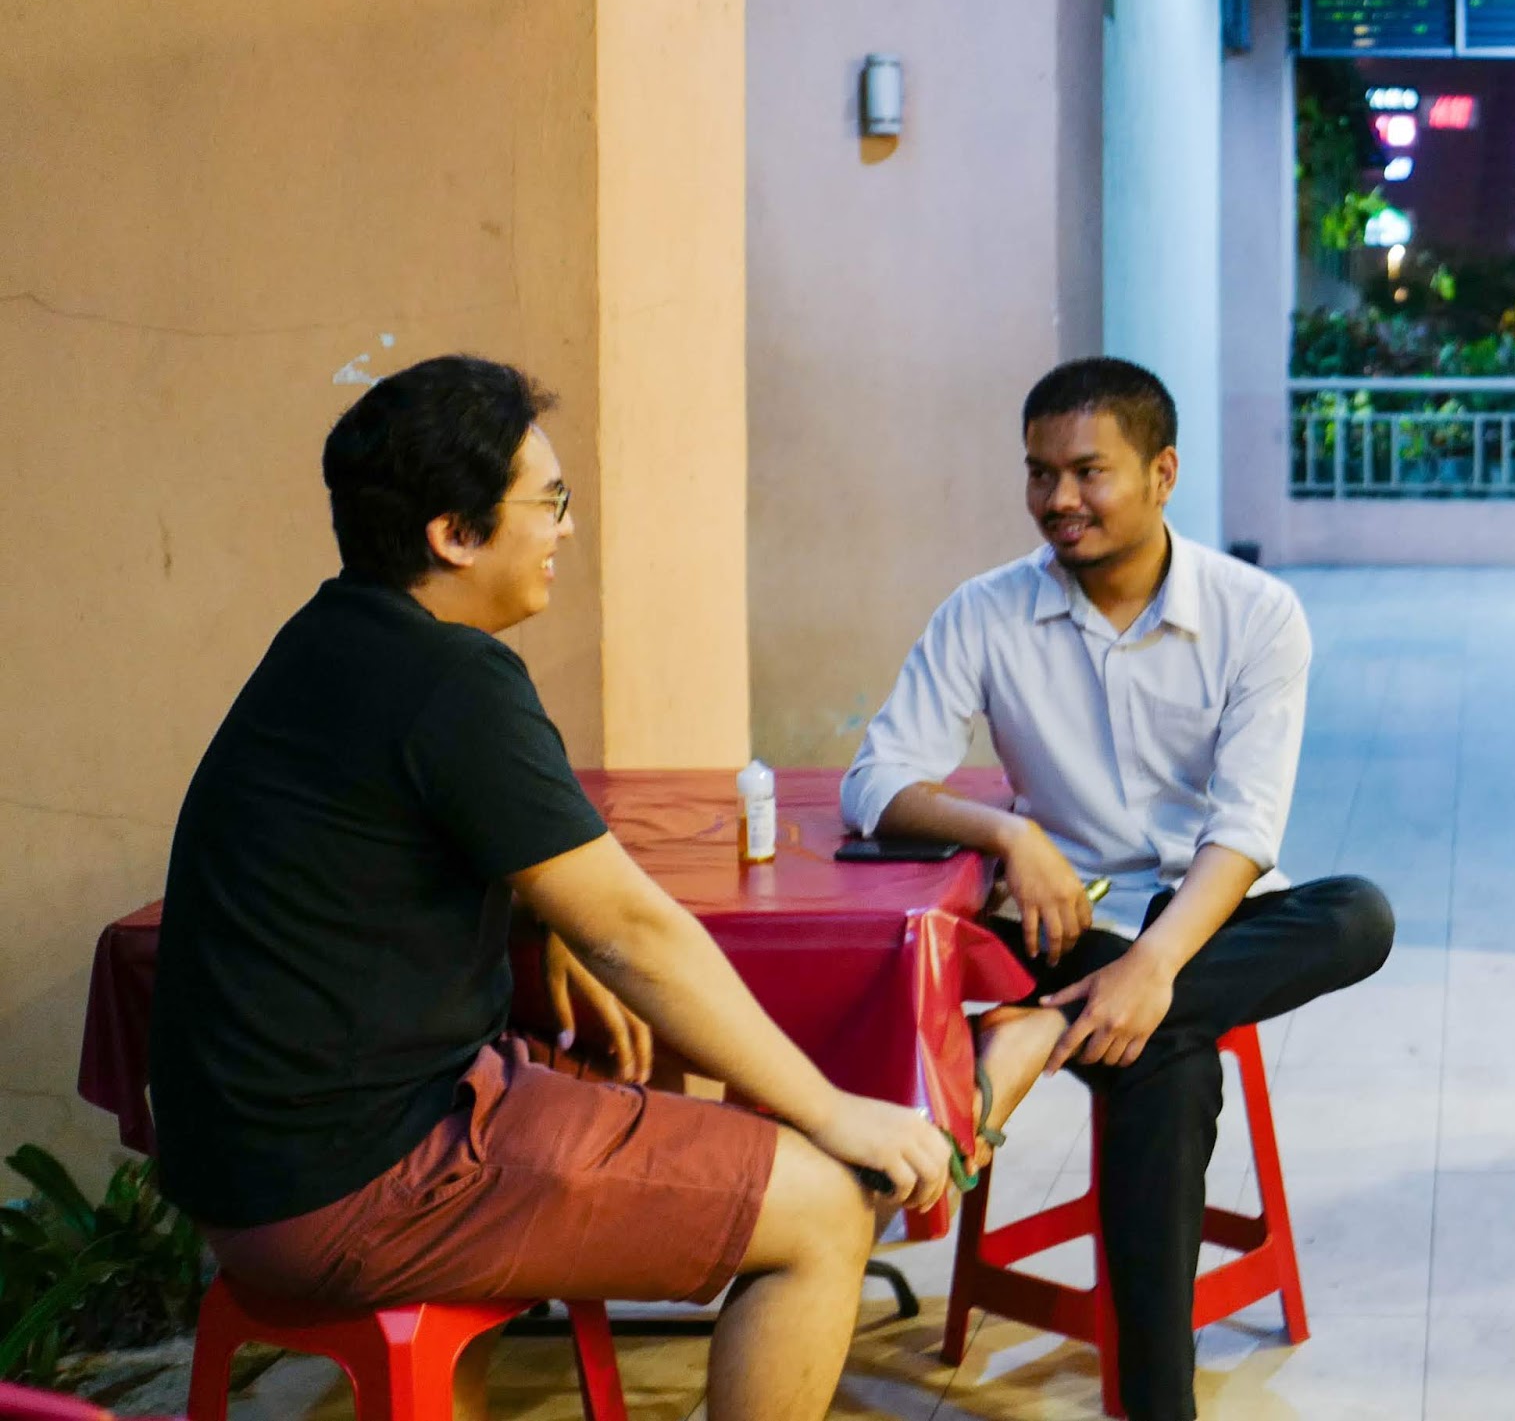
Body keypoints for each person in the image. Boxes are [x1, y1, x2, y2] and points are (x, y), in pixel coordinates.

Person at [150, 354, 952, 1421]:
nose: (567, 529)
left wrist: (542, 918)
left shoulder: (331, 636)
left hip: (241, 1173)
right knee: (825, 1206)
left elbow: (418, 848)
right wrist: (833, 1108)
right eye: (551, 501)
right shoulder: (453, 676)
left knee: (620, 1063)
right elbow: (633, 931)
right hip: (357, 1181)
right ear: (456, 533)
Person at [841, 356, 1394, 1421]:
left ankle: (1044, 1031)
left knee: (1357, 913)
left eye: (1087, 471)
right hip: (1067, 923)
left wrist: (1156, 965)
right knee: (1166, 1062)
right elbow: (876, 782)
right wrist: (1010, 829)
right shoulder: (985, 612)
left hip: (1214, 917)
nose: (1058, 498)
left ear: (1162, 473)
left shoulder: (1257, 614)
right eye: (1038, 472)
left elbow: (1244, 828)